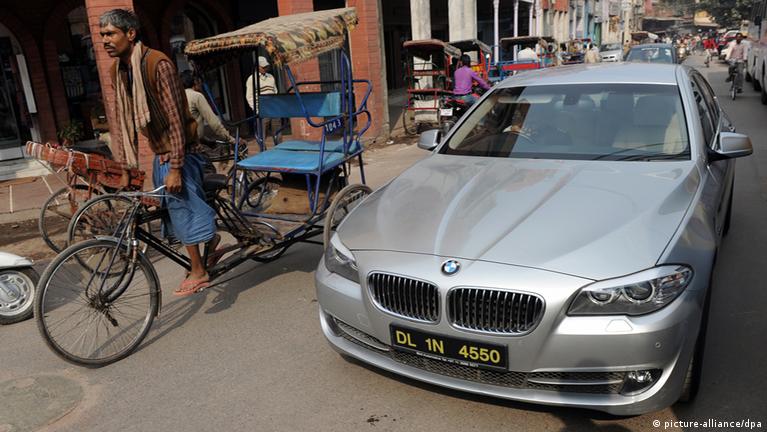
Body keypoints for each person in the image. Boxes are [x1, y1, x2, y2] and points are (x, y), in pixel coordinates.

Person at [99, 9, 218, 297]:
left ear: (130, 34)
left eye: (111, 33)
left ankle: (199, 270)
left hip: (181, 151)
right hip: (161, 152)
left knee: (180, 208)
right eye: (102, 35)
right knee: (169, 211)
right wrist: (125, 167)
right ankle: (208, 246)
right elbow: (123, 121)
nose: (105, 40)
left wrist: (176, 167)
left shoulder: (158, 64)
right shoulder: (118, 70)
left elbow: (175, 119)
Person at [244, 56, 280, 145]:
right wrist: (257, 110)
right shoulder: (252, 79)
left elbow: (275, 91)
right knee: (262, 136)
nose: (265, 68)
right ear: (257, 67)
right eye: (263, 67)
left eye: (266, 66)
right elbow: (249, 97)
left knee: (278, 134)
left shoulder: (271, 77)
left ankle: (280, 149)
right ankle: (263, 151)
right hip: (262, 109)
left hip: (274, 108)